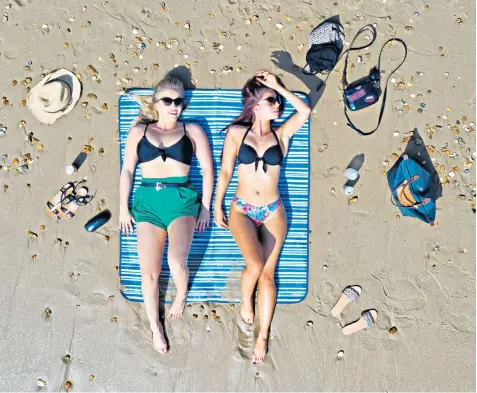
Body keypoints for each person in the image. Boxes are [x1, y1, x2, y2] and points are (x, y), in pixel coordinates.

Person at [214, 70, 311, 364]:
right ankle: (246, 303)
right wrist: (217, 205)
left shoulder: (281, 135)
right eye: (272, 100)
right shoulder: (236, 133)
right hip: (242, 208)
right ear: (255, 104)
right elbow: (226, 171)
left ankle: (262, 336)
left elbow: (304, 110)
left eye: (278, 100)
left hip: (272, 211)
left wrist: (278, 86)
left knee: (267, 274)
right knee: (254, 265)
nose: (278, 105)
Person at [119, 76, 213, 355]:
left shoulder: (191, 129)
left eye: (179, 101)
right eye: (168, 100)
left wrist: (205, 206)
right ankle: (155, 328)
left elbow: (208, 169)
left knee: (175, 261)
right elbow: (127, 170)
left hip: (181, 200)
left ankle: (181, 294)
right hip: (147, 202)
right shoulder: (139, 131)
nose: (175, 106)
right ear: (155, 103)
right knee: (148, 275)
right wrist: (123, 207)